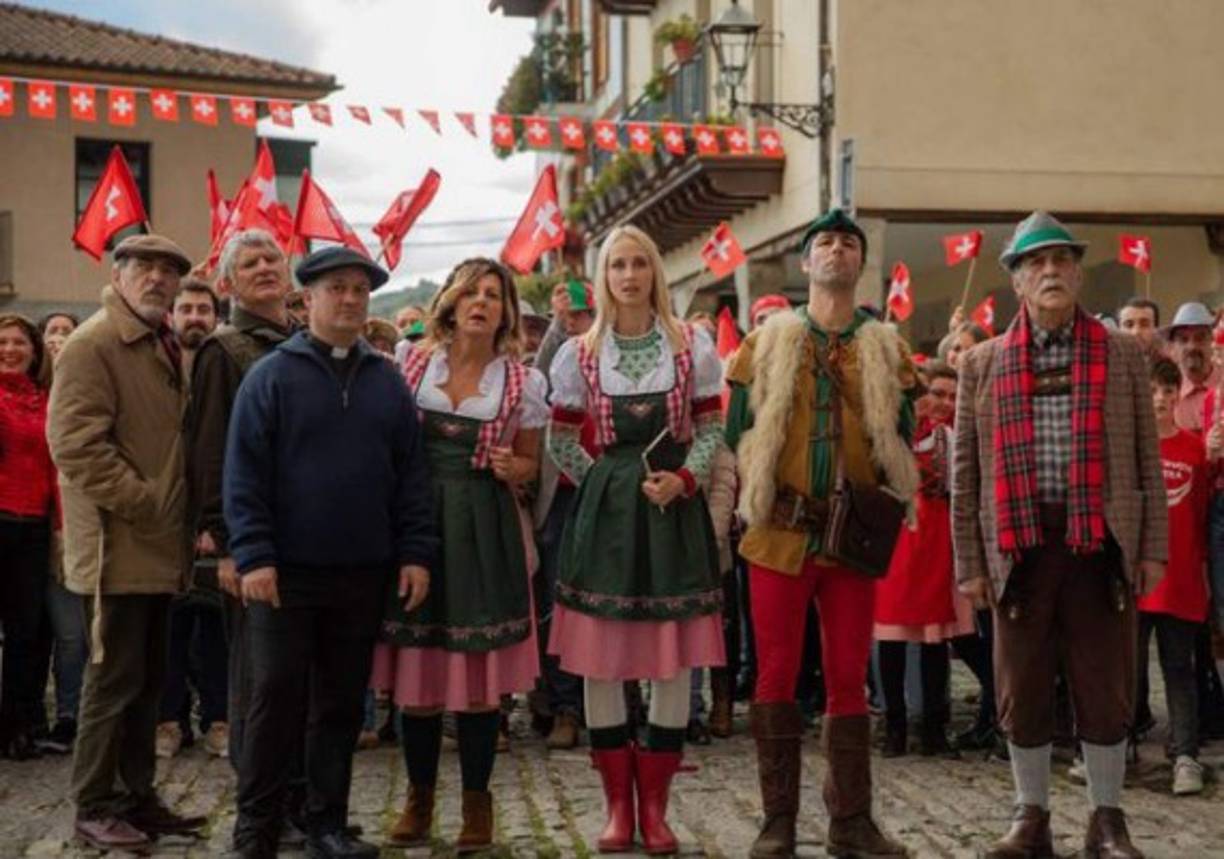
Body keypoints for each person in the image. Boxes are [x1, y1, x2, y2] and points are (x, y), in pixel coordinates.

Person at [953, 211, 1166, 859]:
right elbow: (965, 474)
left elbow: (1147, 460)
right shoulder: (983, 363)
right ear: (1016, 281)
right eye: (1035, 263)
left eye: (1061, 260)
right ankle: (1031, 818)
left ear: (1077, 272)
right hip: (1018, 547)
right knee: (1021, 681)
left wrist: (1152, 546)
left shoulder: (1124, 353)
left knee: (1105, 682)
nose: (1050, 271)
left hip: (1100, 541)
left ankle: (1107, 820)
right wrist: (970, 562)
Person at [224, 246, 437, 859]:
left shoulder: (387, 381)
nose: (349, 299)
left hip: (362, 572)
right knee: (276, 699)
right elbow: (244, 475)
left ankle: (327, 824)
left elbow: (411, 477)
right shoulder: (271, 377)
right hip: (285, 575)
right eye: (336, 288)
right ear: (307, 298)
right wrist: (255, 554)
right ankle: (255, 828)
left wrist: (415, 552)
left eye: (359, 291)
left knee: (341, 705)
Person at [726, 209, 917, 859]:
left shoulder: (887, 344)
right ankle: (777, 820)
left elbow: (905, 435)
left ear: (859, 264)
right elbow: (735, 431)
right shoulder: (768, 339)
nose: (836, 249)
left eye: (848, 243)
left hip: (852, 539)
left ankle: (851, 822)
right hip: (779, 531)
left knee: (846, 677)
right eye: (825, 243)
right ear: (805, 263)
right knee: (774, 673)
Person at [548, 225, 725, 854]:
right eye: (617, 265)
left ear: (654, 273)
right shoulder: (580, 352)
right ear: (603, 278)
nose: (628, 275)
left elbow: (709, 430)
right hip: (607, 514)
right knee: (603, 660)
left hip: (670, 511)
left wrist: (683, 479)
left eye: (638, 264)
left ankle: (656, 807)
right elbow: (560, 438)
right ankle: (617, 806)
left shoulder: (690, 345)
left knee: (670, 660)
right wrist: (601, 483)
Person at [374, 257, 545, 853]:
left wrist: (513, 467)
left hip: (483, 527)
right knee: (417, 677)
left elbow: (531, 463)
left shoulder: (523, 382)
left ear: (506, 312)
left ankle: (478, 805)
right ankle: (418, 800)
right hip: (421, 521)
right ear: (449, 302)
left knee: (475, 678)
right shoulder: (412, 362)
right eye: (471, 292)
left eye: (493, 295)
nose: (481, 302)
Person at [48, 234, 204, 852]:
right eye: (146, 268)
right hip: (118, 547)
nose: (158, 280)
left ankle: (136, 796)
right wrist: (146, 502)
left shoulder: (161, 339)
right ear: (119, 273)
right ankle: (94, 803)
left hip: (155, 545)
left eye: (169, 272)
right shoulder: (93, 343)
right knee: (111, 682)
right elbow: (76, 446)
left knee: (146, 681)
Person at [185, 229, 298, 813]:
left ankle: (298, 799)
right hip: (253, 543)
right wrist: (226, 545)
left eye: (270, 258)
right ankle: (260, 808)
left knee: (296, 679)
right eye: (248, 262)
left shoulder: (304, 340)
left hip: (307, 539)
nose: (263, 268)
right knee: (257, 681)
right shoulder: (222, 351)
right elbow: (209, 453)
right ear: (229, 281)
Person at [873, 362, 970, 760]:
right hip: (894, 541)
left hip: (933, 543)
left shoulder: (949, 439)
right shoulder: (887, 438)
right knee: (890, 639)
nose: (936, 404)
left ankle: (933, 726)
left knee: (934, 642)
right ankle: (893, 724)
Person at [157, 278, 226, 760]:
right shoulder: (156, 363)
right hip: (161, 512)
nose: (195, 317)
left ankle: (219, 719)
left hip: (213, 515)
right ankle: (168, 720)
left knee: (215, 627)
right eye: (187, 308)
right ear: (172, 316)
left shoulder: (224, 362)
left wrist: (211, 518)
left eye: (204, 308)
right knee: (168, 628)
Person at [528, 277, 597, 750]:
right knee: (556, 605)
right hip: (561, 496)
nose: (582, 322)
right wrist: (558, 323)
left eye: (587, 313)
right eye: (575, 314)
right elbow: (542, 375)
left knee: (609, 602)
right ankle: (564, 707)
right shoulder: (559, 353)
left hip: (609, 496)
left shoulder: (625, 347)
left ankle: (615, 703)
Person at [1141, 357, 1208, 796]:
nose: (1162, 399)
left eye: (1169, 391)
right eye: (1153, 391)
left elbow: (1202, 514)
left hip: (1180, 576)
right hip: (1139, 577)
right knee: (1124, 671)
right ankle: (1113, 744)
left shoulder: (1195, 450)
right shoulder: (1133, 452)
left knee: (1179, 668)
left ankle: (1186, 754)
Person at [0, 314, 56, 761]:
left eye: (19, 342)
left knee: (26, 634)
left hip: (34, 526)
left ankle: (17, 726)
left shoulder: (46, 400)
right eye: (2, 342)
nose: (11, 349)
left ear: (34, 351)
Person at [1164, 301, 1218, 433]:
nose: (1192, 347)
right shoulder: (1165, 392)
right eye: (1183, 340)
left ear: (1212, 341)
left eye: (1200, 338)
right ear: (1172, 349)